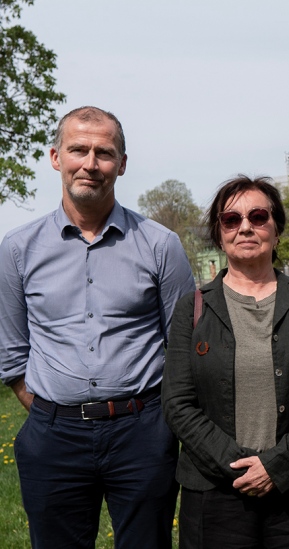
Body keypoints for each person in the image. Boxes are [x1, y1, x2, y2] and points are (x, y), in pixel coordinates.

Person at [0, 106, 196, 548]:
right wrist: (56, 412)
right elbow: (11, 352)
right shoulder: (17, 250)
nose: (90, 163)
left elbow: (185, 345)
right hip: (53, 436)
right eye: (78, 150)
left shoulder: (160, 245)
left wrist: (156, 421)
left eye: (104, 153)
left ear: (122, 164)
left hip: (142, 432)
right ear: (55, 157)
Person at [162, 175, 289, 548]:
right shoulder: (192, 308)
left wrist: (278, 466)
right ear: (219, 233)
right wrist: (239, 466)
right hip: (216, 494)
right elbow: (178, 403)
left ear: (276, 231)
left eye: (258, 217)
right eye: (231, 219)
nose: (245, 226)